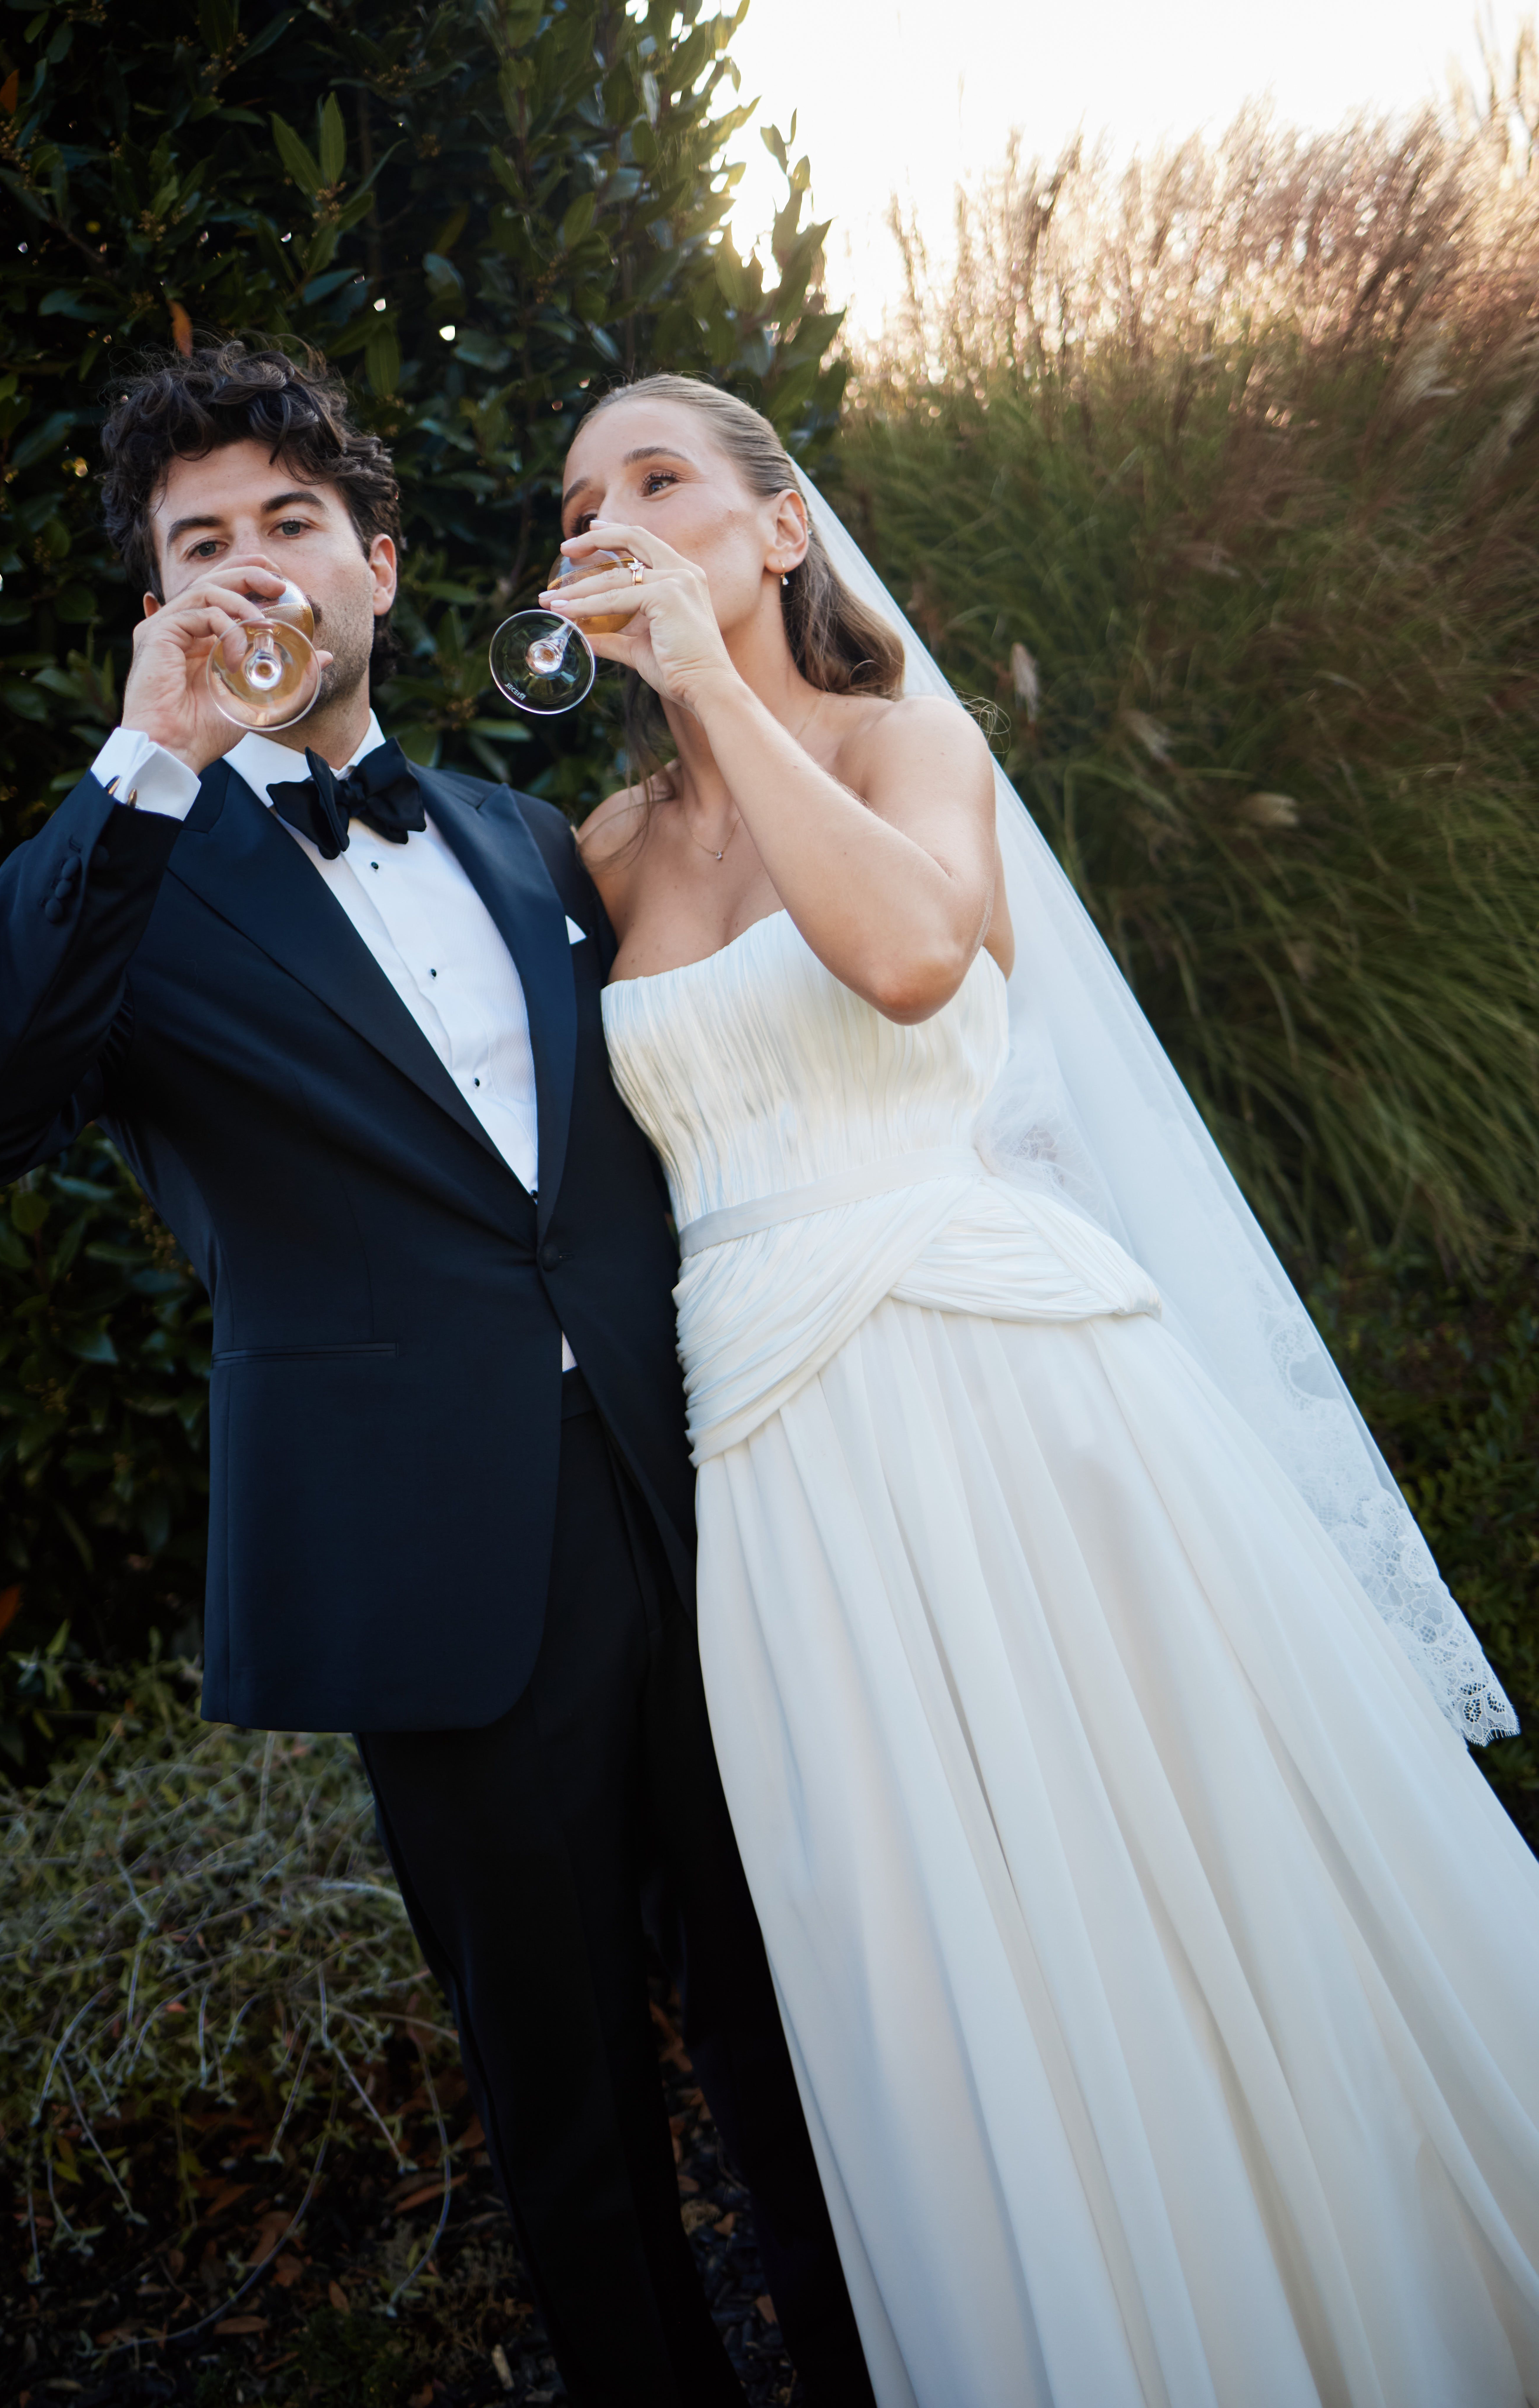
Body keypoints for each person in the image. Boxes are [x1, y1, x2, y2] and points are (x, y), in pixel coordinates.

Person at [558, 371, 1539, 2408]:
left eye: (659, 478)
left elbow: (915, 959)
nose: (611, 520)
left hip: (1011, 1393)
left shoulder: (907, 739)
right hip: (784, 1467)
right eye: (577, 505)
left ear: (778, 530)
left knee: (1176, 1871)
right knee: (938, 1958)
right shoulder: (607, 849)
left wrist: (714, 691)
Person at [0, 345, 875, 2408]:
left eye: (292, 524)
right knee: (567, 2094)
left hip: (701, 1502)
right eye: (200, 545)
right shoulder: (133, 879)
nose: (253, 568)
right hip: (432, 1569)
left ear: (377, 563)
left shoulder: (531, 835)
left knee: (798, 2019)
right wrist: (142, 759)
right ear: (161, 604)